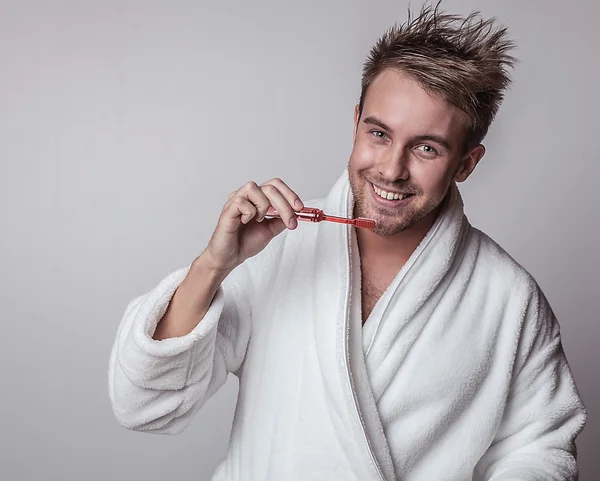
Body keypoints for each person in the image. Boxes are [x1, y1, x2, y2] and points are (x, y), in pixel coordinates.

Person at [108, 5, 586, 480]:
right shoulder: (277, 248)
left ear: (466, 162)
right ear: (356, 121)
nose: (391, 169)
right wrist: (212, 266)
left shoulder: (509, 297)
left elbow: (539, 449)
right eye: (378, 133)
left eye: (426, 147)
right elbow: (145, 405)